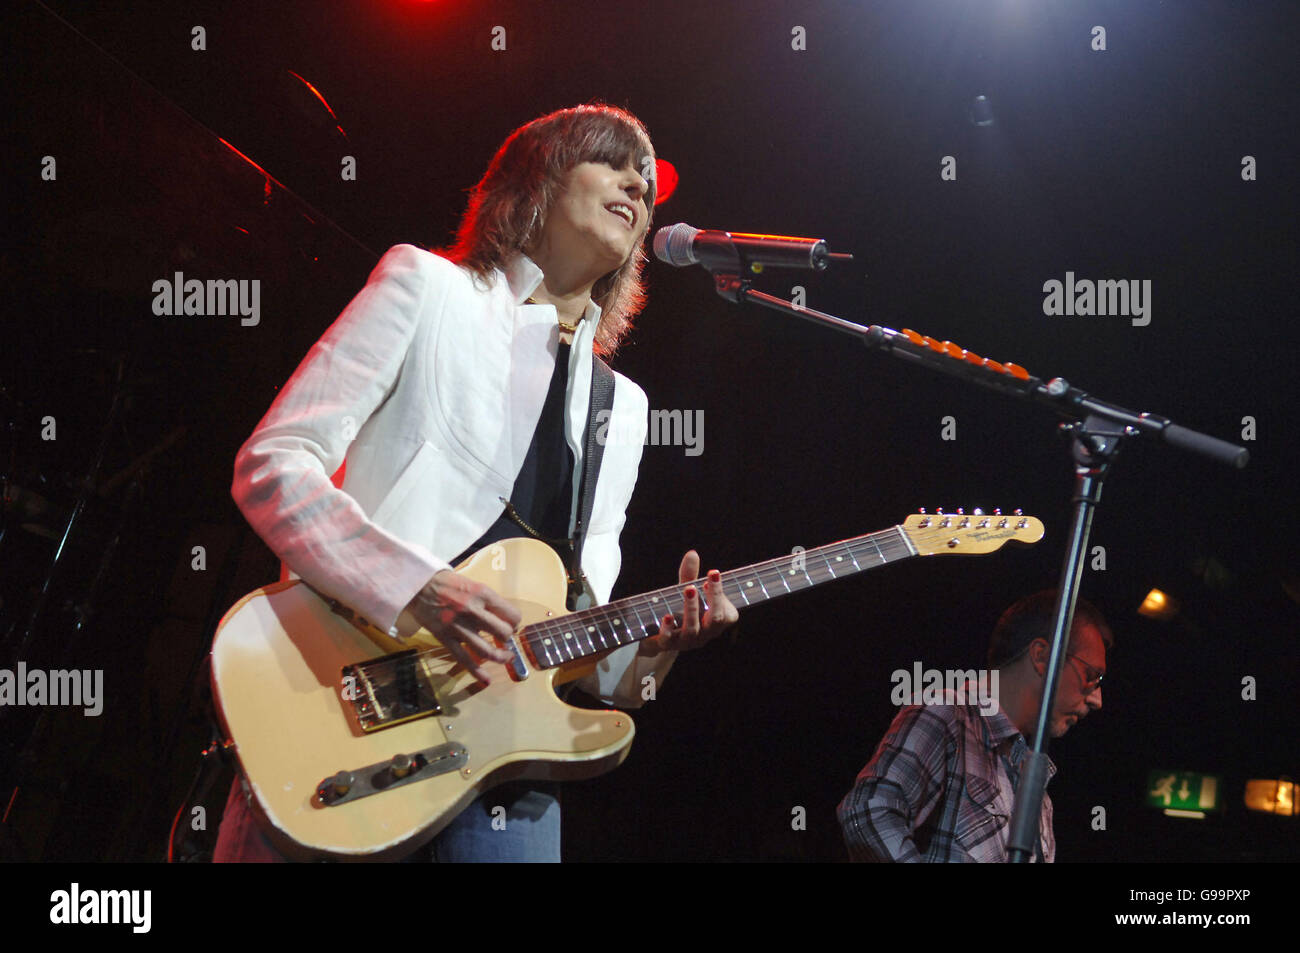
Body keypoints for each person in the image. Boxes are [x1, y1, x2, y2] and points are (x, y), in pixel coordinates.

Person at [212, 104, 738, 862]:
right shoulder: (428, 289)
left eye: (649, 185)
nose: (638, 185)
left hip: (506, 769)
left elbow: (592, 652)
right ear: (539, 179)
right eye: (612, 161)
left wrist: (663, 649)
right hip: (340, 703)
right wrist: (420, 585)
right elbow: (274, 463)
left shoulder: (624, 409)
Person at [837, 591, 1112, 862]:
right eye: (1091, 676)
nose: (1097, 699)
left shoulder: (1036, 788)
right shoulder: (947, 714)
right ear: (1042, 656)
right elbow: (868, 813)